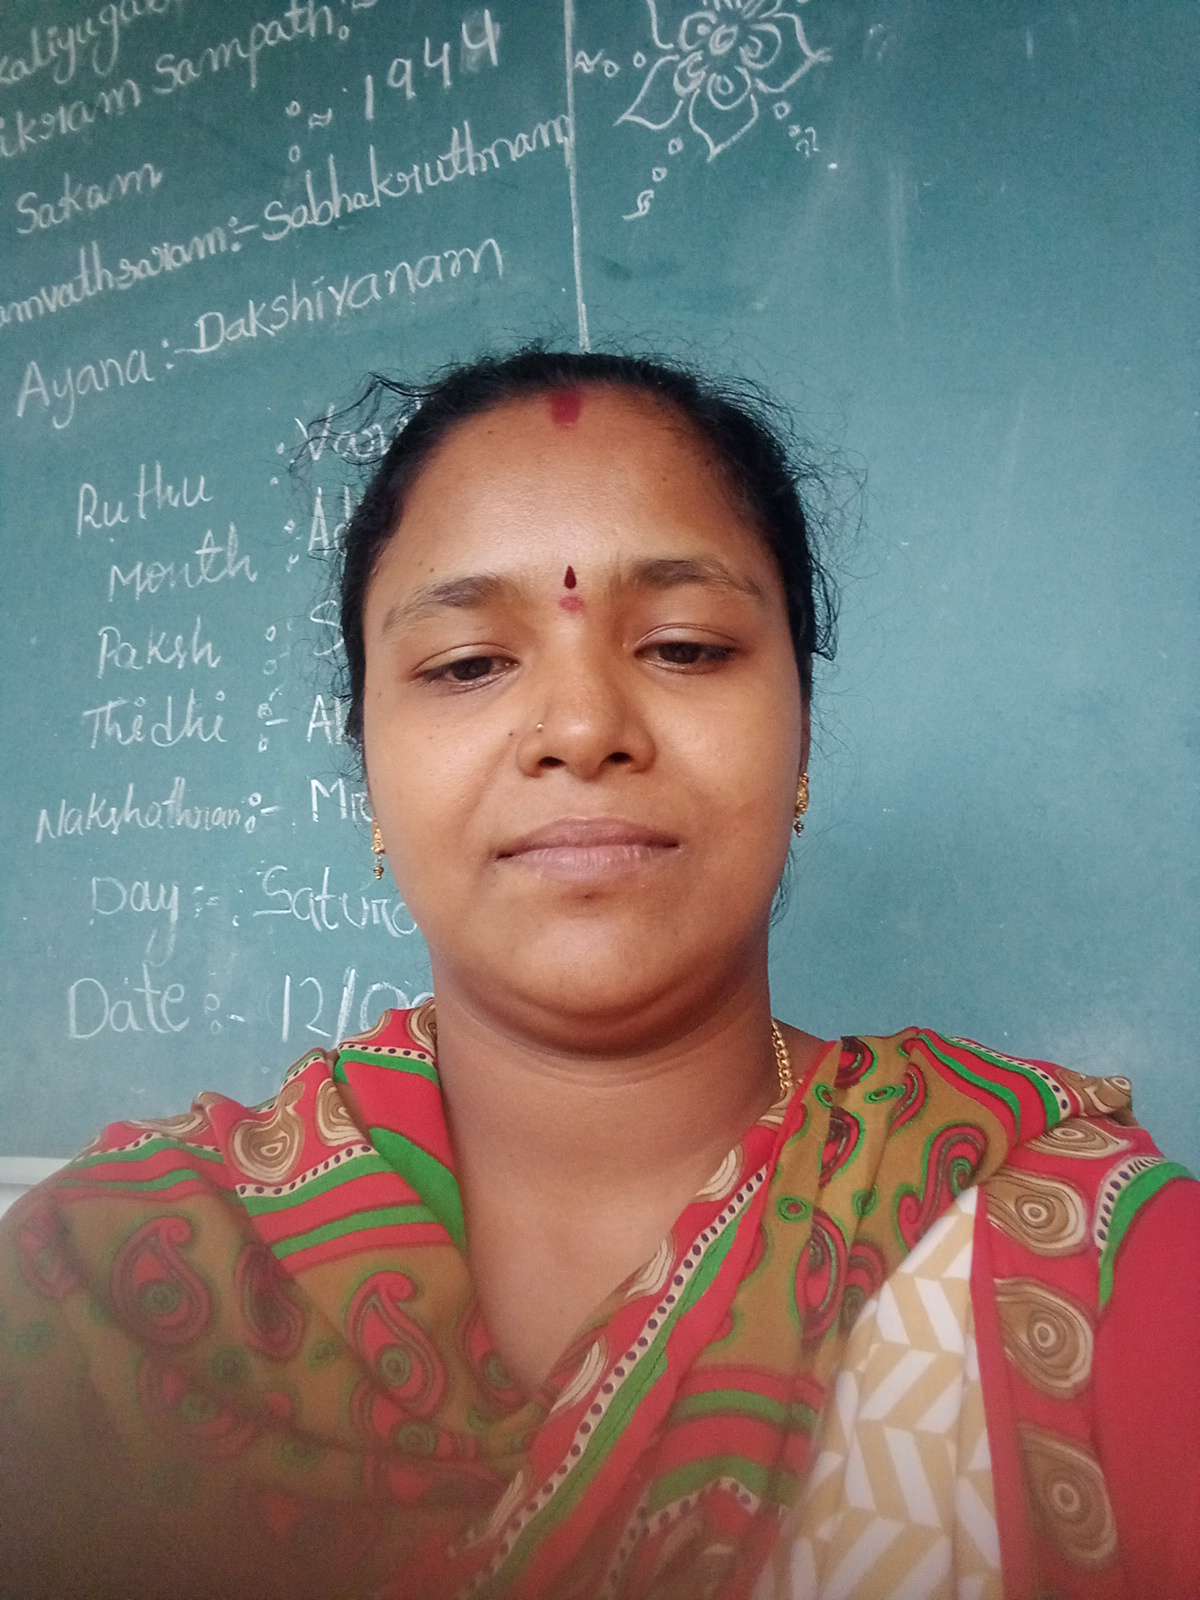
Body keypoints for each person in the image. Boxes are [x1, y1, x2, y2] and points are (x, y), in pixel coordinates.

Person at [0, 349, 1195, 1600]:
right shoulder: (103, 1289)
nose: (580, 728)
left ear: (800, 733)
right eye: (468, 664)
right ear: (368, 774)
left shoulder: (1087, 1267)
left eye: (684, 646)